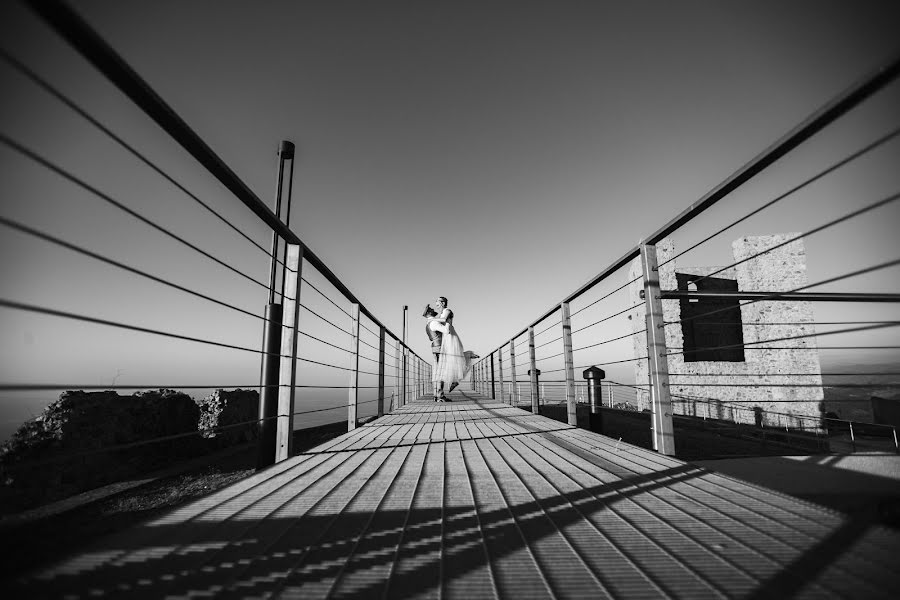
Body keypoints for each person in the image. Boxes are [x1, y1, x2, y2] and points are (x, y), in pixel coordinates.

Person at [425, 296, 473, 401]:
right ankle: (452, 383)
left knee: (452, 361)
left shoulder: (447, 310)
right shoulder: (441, 314)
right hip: (445, 338)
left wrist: (431, 318)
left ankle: (453, 382)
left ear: (443, 303)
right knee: (450, 363)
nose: (436, 303)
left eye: (437, 301)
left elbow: (443, 320)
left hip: (450, 336)